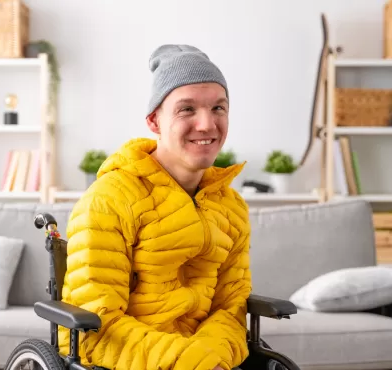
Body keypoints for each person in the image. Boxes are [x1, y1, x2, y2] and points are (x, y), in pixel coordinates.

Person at [58, 44, 252, 370]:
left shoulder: (232, 207)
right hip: (127, 356)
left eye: (219, 108)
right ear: (154, 121)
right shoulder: (108, 200)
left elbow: (231, 308)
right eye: (186, 109)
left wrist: (209, 358)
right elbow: (97, 324)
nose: (206, 124)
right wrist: (192, 363)